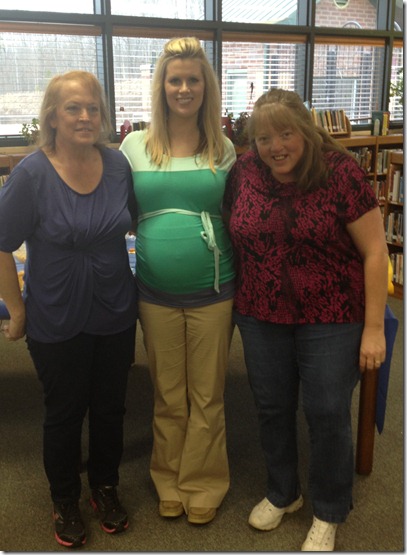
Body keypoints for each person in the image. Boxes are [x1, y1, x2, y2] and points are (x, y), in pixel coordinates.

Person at [223, 88, 389, 551]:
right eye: (263, 138)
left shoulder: (340, 173)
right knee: (271, 406)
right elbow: (231, 226)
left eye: (285, 134)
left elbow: (376, 253)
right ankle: (283, 492)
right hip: (261, 311)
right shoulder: (244, 171)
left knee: (327, 411)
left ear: (306, 131)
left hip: (332, 313)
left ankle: (329, 508)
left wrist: (374, 328)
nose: (275, 147)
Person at [0, 70, 138, 548]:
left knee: (110, 407)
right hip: (55, 312)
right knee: (64, 411)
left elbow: (135, 221)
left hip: (115, 308)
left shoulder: (117, 165)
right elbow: (2, 244)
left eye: (93, 108)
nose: (84, 117)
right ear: (53, 117)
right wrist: (17, 310)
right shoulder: (31, 174)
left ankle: (105, 487)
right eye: (73, 108)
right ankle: (64, 498)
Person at [120, 36, 236, 525]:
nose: (184, 89)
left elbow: (235, 214)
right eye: (175, 80)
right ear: (161, 86)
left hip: (214, 290)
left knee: (207, 394)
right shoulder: (134, 146)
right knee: (168, 394)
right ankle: (169, 480)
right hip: (154, 291)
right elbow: (120, 212)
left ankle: (203, 483)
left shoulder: (223, 148)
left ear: (206, 87)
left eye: (193, 80)